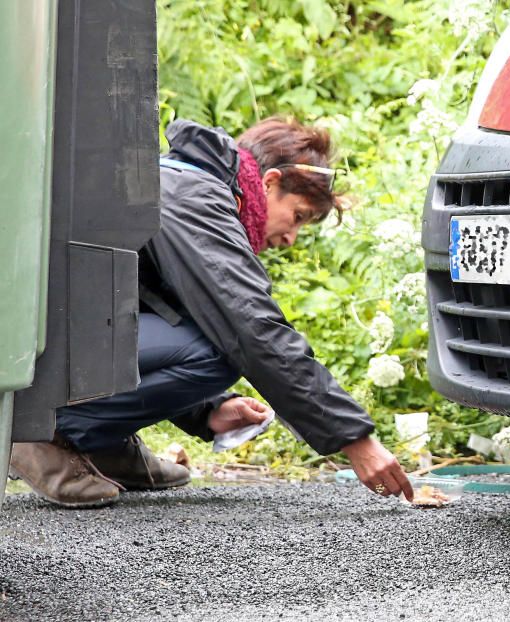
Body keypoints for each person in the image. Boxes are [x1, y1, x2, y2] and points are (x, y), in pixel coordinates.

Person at [10, 117, 414, 508]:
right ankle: (43, 434)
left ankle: (99, 442)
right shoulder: (195, 196)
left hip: (48, 336)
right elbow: (252, 329)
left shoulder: (188, 183)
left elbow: (145, 312)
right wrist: (355, 440)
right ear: (270, 182)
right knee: (222, 348)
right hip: (30, 346)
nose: (291, 238)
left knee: (217, 338)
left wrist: (208, 411)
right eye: (298, 216)